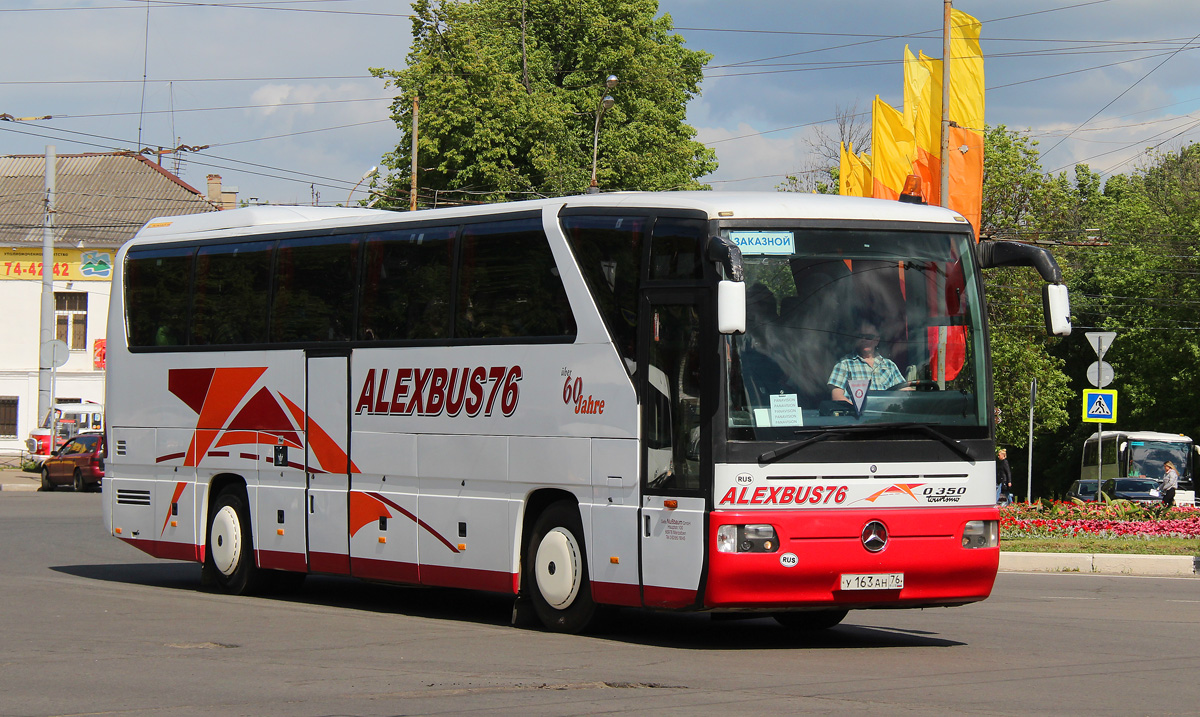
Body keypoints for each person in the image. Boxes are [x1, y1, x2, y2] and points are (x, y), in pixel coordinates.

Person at [827, 319, 910, 402]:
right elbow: (837, 396)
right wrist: (858, 411)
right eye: (860, 337)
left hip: (886, 413)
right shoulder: (844, 364)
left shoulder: (890, 365)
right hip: (855, 414)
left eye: (869, 337)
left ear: (876, 341)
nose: (864, 340)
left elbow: (904, 391)